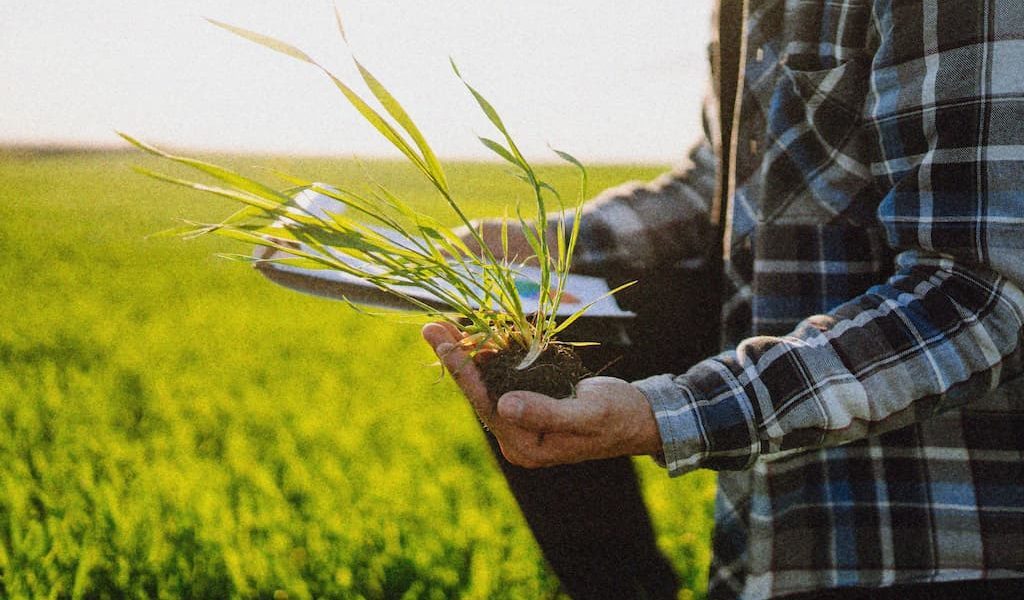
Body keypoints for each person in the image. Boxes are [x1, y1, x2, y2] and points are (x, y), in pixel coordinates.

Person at [424, 1, 1024, 599]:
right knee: (524, 338)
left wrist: (666, 414)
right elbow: (725, 180)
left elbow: (981, 296)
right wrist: (545, 242)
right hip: (768, 528)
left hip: (933, 536)